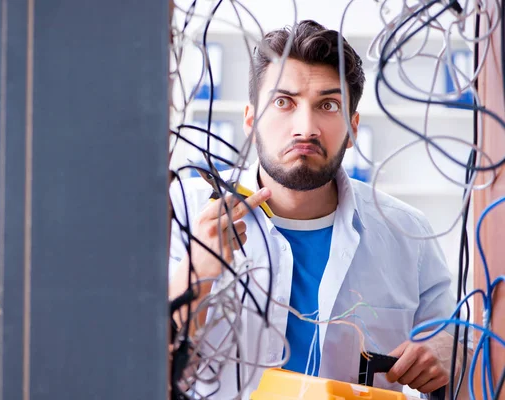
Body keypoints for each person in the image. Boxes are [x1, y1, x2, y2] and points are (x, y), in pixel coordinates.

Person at [168, 20, 466, 399]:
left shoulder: (408, 233)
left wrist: (450, 354)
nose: (305, 128)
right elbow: (131, 361)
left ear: (354, 129)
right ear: (249, 119)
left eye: (328, 105)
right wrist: (198, 271)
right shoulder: (182, 212)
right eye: (282, 102)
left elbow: (454, 350)